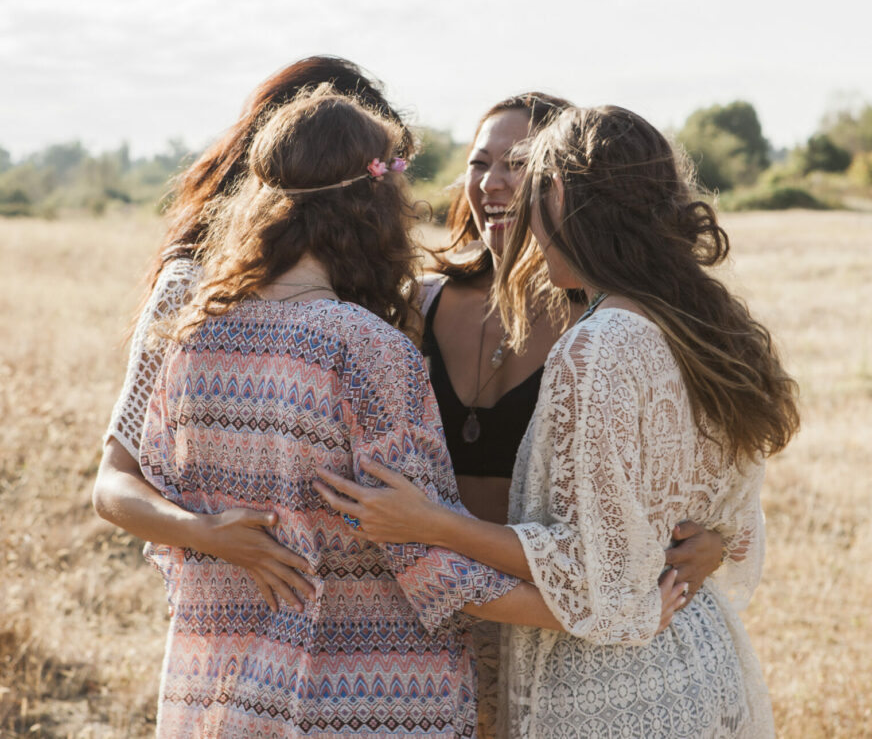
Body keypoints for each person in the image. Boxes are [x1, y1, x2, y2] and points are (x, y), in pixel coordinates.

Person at [136, 89, 690, 737]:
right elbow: (427, 563)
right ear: (373, 200)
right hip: (364, 696)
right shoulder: (366, 346)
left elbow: (169, 517)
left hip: (223, 691)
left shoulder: (191, 336)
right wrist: (613, 611)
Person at [316, 104, 800, 737]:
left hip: (610, 692)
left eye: (530, 180)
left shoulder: (601, 344)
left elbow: (597, 576)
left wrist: (430, 523)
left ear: (563, 194)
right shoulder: (704, 323)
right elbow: (729, 515)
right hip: (702, 666)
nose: (518, 214)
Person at [418, 93, 727, 736]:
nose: (497, 182)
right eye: (480, 163)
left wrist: (713, 539)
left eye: (520, 164)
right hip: (433, 617)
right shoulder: (413, 304)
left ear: (564, 188)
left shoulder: (603, 320)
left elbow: (689, 469)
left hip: (559, 624)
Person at [94, 55, 412, 611]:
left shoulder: (364, 290)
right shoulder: (193, 287)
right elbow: (113, 484)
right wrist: (202, 532)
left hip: (356, 627)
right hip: (229, 615)